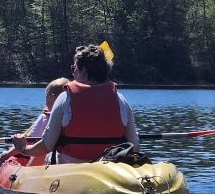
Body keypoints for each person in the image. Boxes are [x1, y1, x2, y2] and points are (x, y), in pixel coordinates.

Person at [11, 44, 139, 165]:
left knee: (47, 157)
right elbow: (135, 146)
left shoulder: (65, 98)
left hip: (70, 170)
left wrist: (23, 148)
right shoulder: (121, 100)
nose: (73, 73)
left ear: (83, 70)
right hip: (109, 169)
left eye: (74, 68)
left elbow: (46, 146)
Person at [0, 77, 69, 166]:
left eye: (46, 98)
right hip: (69, 159)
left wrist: (7, 154)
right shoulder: (72, 115)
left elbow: (29, 141)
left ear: (53, 97)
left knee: (39, 151)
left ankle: (28, 174)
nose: (45, 103)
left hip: (51, 161)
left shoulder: (45, 118)